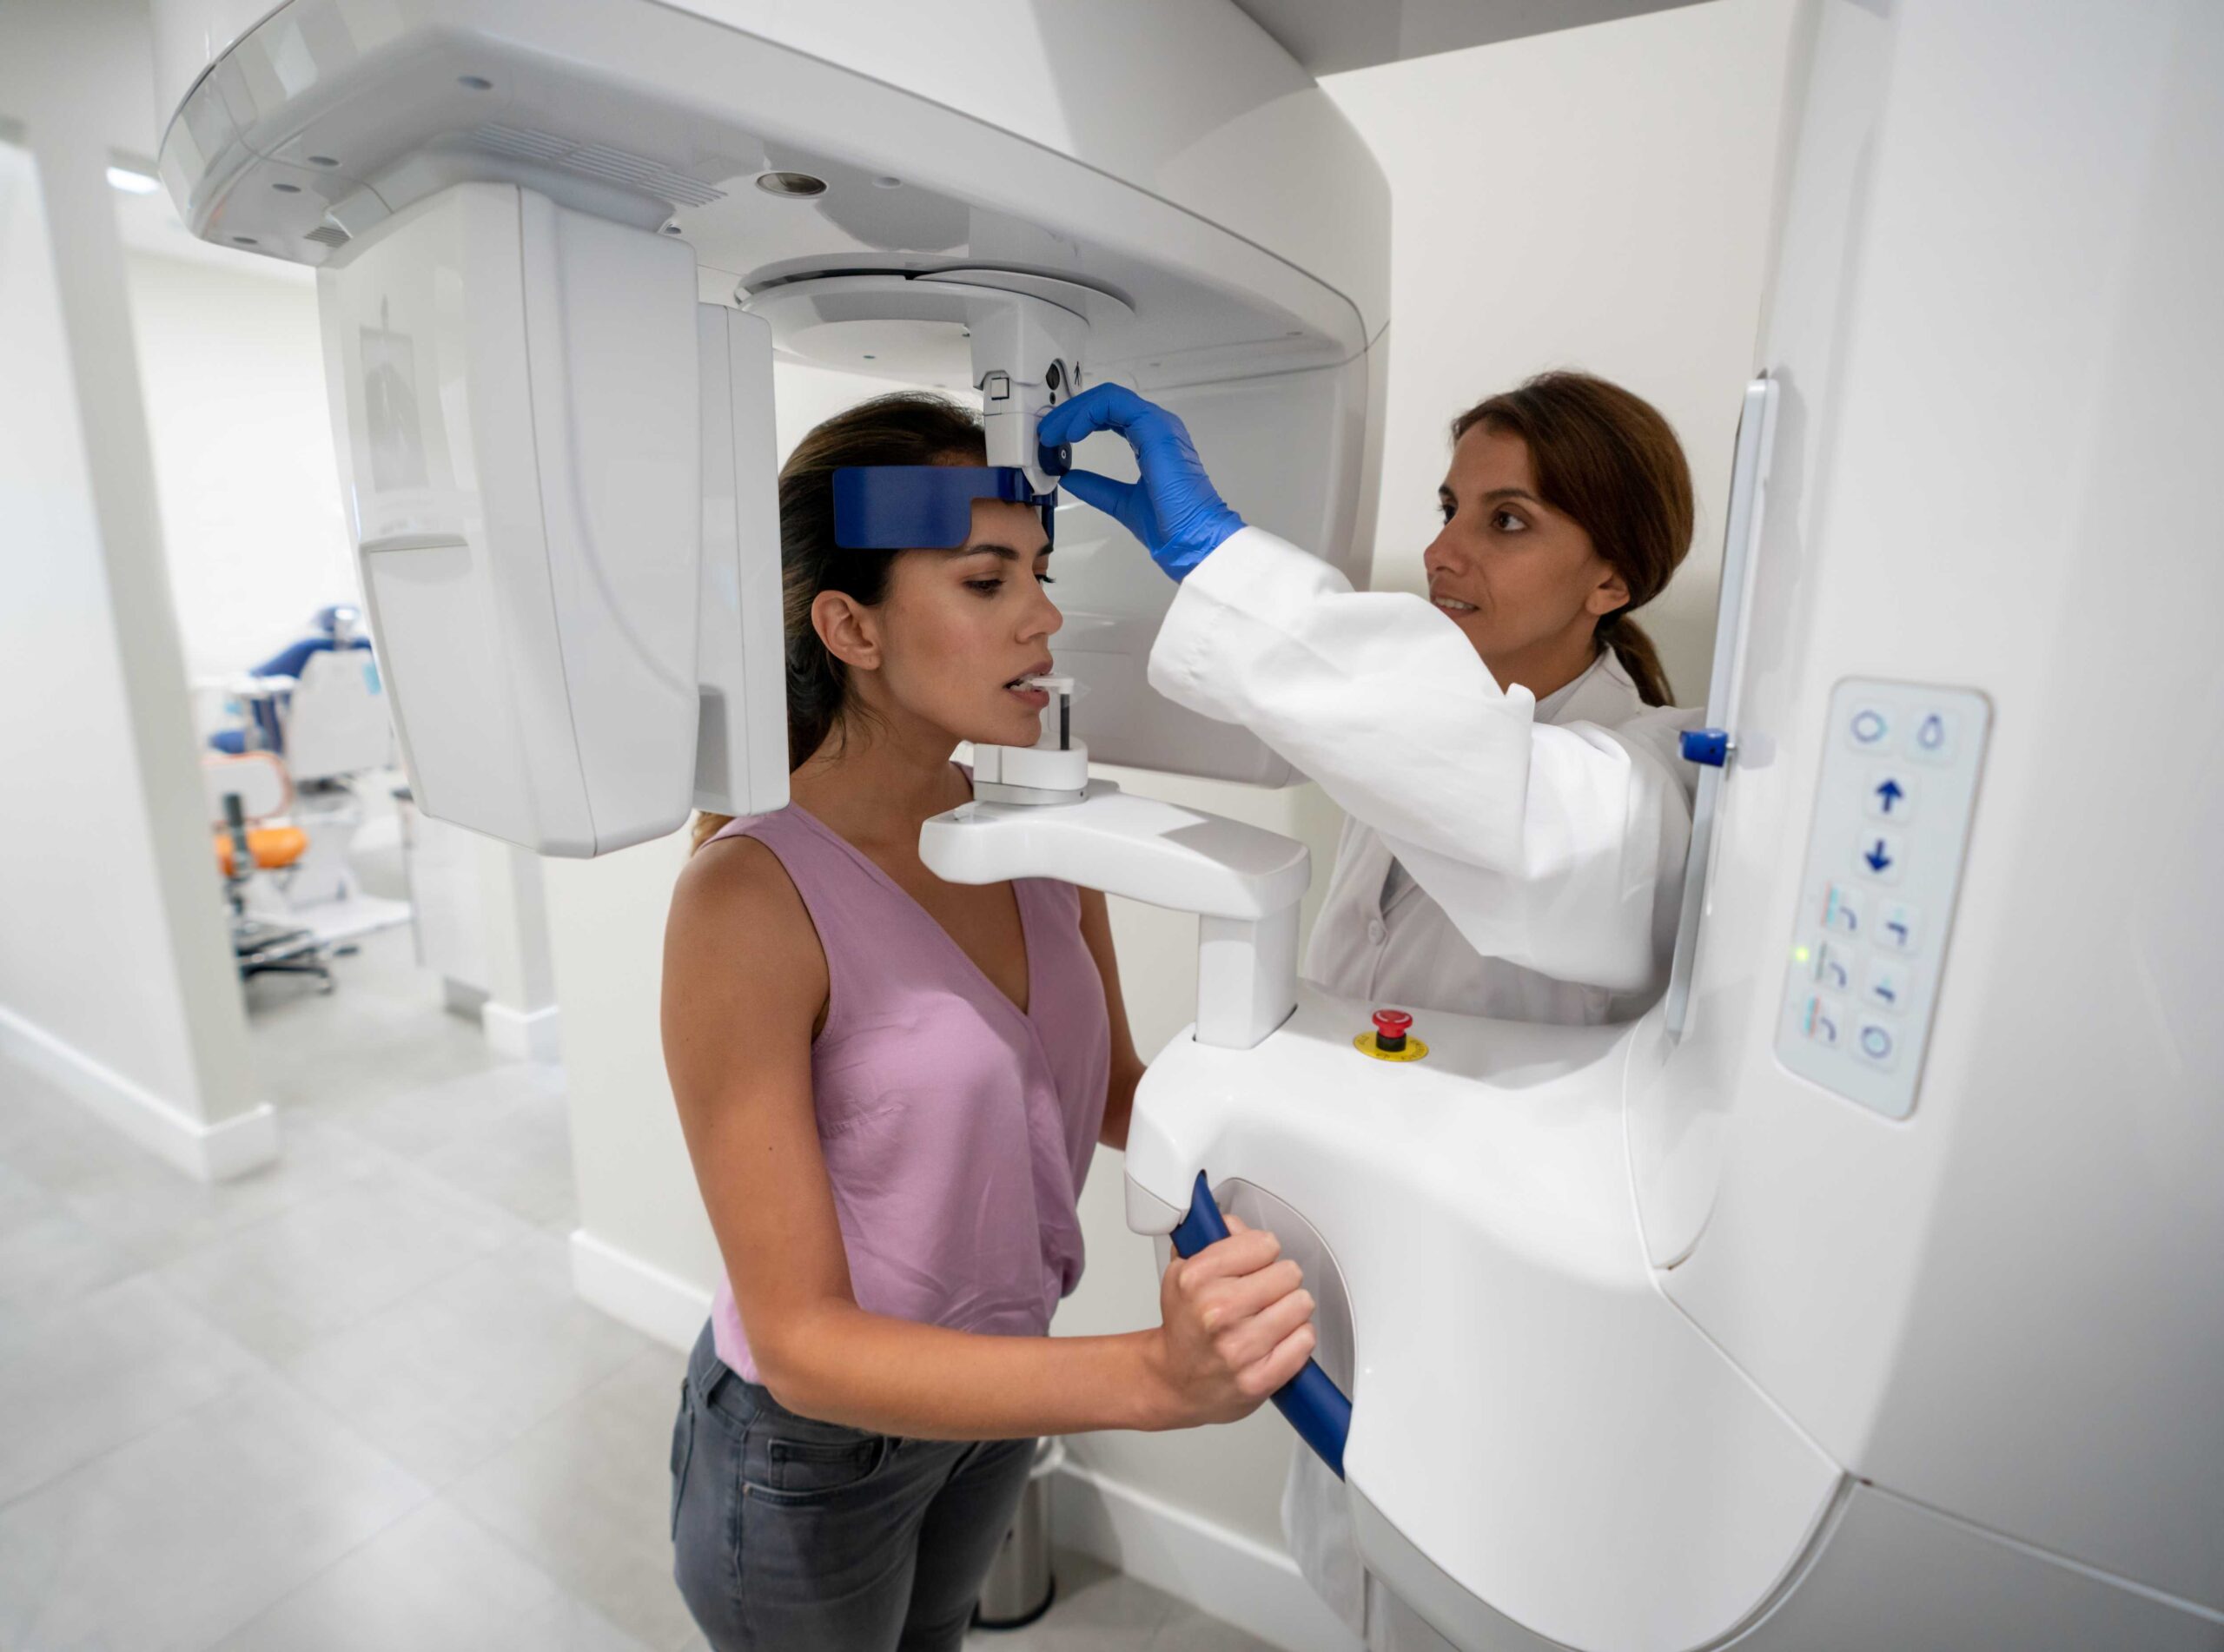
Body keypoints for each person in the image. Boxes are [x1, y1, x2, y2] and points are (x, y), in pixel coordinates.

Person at [1037, 371, 1705, 1650]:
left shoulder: (1638, 796)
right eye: (1451, 507)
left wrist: (1218, 555)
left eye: (1508, 522)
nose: (1446, 553)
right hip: (1350, 1322)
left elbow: (1506, 809)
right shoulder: (1449, 738)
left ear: (1611, 577)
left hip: (1489, 1374)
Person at [660, 393, 1320, 1652]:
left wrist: (1302, 1134)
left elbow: (1106, 1082)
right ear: (849, 625)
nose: (1046, 616)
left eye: (1040, 570)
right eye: (985, 578)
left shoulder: (1034, 833)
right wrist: (1152, 1375)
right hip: (813, 1452)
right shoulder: (748, 900)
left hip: (998, 1395)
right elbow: (801, 1342)